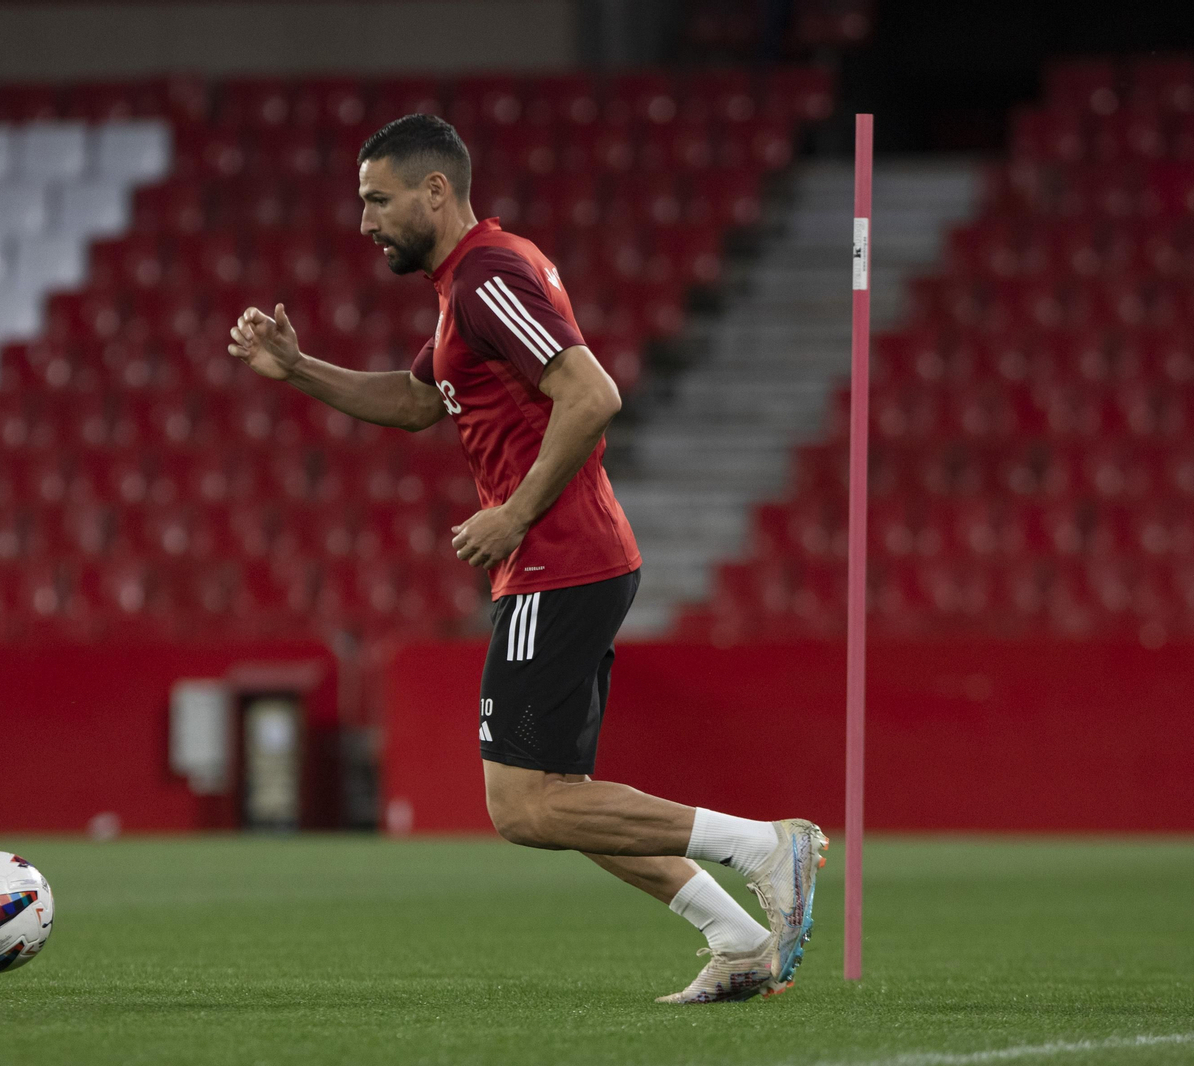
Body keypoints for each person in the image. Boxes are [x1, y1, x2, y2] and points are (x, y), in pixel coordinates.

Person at [227, 113, 826, 1003]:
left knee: (523, 807)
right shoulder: (465, 285)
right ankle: (737, 938)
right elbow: (417, 401)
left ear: (436, 190)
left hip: (559, 557)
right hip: (569, 556)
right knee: (561, 795)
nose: (365, 222)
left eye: (378, 200)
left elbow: (592, 393)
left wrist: (512, 515)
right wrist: (300, 367)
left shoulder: (486, 277)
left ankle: (767, 848)